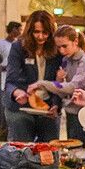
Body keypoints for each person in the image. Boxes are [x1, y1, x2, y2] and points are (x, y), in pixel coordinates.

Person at [27, 25, 85, 142]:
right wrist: (56, 104)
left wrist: (42, 83)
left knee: (78, 148)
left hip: (84, 111)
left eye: (65, 46)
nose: (61, 51)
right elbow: (62, 87)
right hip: (70, 111)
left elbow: (72, 87)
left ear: (75, 41)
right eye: (58, 47)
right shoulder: (65, 60)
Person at [4, 10, 62, 142]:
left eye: (45, 32)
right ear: (30, 31)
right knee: (22, 151)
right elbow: (10, 81)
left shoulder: (57, 50)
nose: (40, 36)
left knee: (49, 151)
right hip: (21, 108)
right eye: (36, 32)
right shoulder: (18, 47)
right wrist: (16, 92)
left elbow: (59, 83)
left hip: (47, 108)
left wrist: (56, 104)